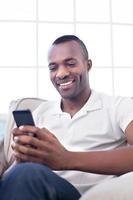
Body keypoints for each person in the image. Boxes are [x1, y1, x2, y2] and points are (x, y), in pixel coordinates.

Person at [0, 35, 133, 200]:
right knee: (24, 173)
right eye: (53, 67)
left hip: (83, 195)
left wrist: (67, 159)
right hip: (34, 189)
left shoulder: (118, 106)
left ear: (88, 65)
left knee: (28, 174)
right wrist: (21, 160)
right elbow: (8, 180)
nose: (61, 74)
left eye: (70, 64)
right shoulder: (41, 113)